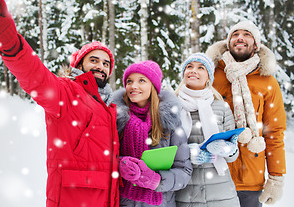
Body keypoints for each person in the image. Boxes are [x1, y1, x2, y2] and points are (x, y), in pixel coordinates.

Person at [0, 0, 120, 207]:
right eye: (94, 60)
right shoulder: (67, 91)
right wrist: (9, 41)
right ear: (79, 65)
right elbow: (36, 77)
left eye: (106, 63)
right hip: (73, 200)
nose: (101, 66)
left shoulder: (110, 108)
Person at [206, 20, 286, 207]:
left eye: (246, 34)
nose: (240, 37)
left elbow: (274, 131)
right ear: (228, 42)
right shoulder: (211, 75)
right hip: (214, 171)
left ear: (255, 44)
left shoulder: (267, 81)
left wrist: (276, 177)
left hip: (250, 178)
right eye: (235, 34)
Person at [112, 60, 192, 207]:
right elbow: (104, 158)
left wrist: (157, 181)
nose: (133, 86)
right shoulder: (115, 119)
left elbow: (184, 171)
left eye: (141, 80)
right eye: (129, 81)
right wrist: (120, 163)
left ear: (153, 86)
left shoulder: (171, 122)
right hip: (124, 202)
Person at [175, 53, 240, 207]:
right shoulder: (171, 106)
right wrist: (185, 154)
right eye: (189, 67)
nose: (193, 70)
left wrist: (226, 148)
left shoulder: (222, 107)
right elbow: (163, 146)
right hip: (184, 194)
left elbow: (233, 154)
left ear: (209, 77)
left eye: (200, 68)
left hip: (221, 194)